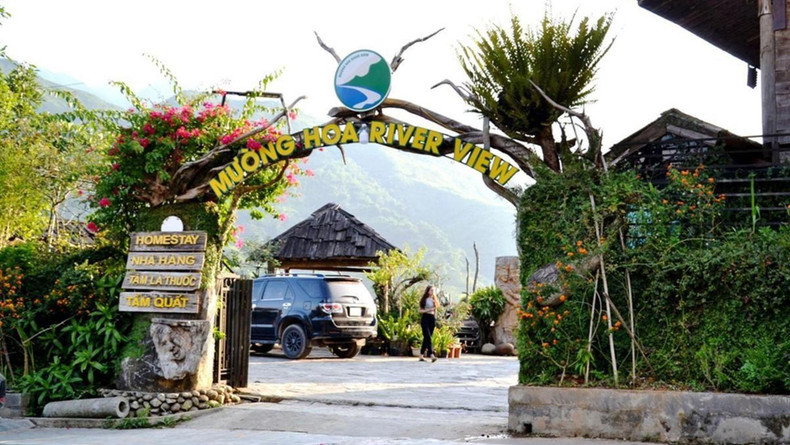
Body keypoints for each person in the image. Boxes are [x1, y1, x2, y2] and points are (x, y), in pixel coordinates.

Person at [418, 285, 440, 362]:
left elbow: (435, 310)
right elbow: (420, 310)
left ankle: (421, 356)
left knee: (426, 338)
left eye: (433, 290)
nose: (432, 291)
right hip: (425, 318)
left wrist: (435, 318)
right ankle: (431, 354)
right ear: (428, 291)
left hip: (432, 319)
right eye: (431, 290)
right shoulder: (424, 300)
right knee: (428, 337)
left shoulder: (434, 300)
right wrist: (428, 310)